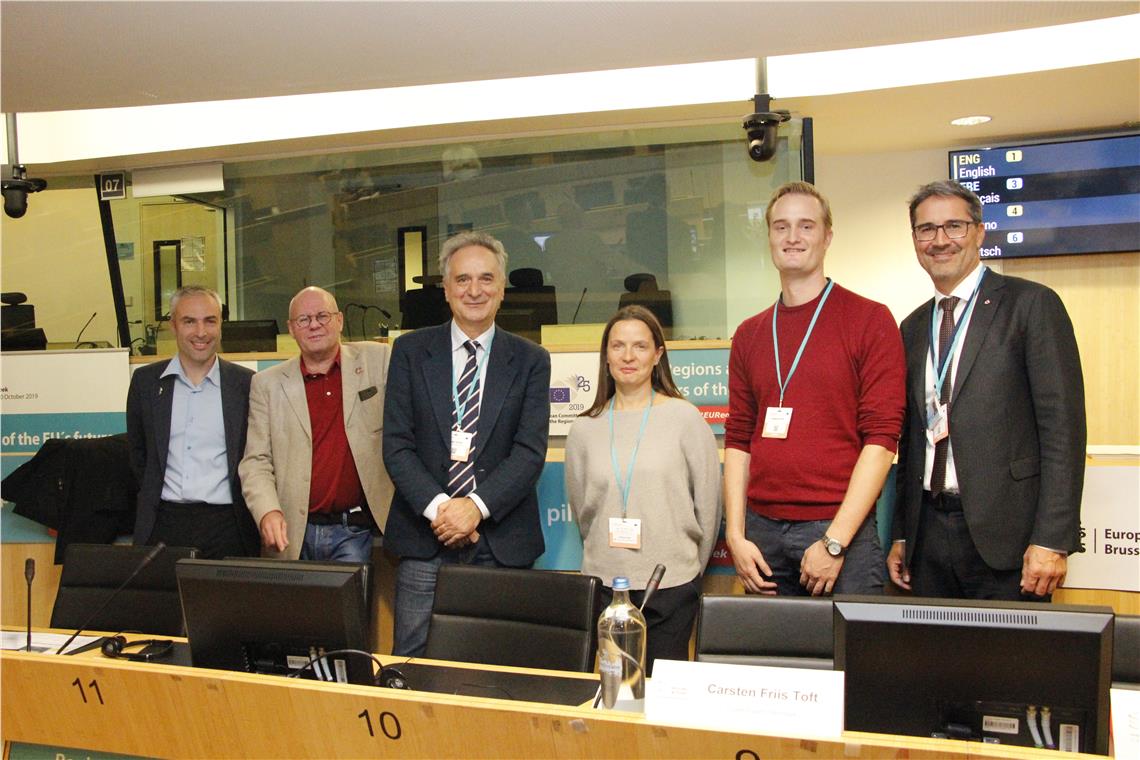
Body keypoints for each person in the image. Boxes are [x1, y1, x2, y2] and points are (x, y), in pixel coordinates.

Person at [888, 180, 1085, 600]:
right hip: (927, 539)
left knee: (1010, 647)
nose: (940, 240)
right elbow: (912, 440)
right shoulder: (913, 327)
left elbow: (1063, 431)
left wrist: (1052, 539)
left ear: (979, 232)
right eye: (926, 229)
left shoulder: (1030, 305)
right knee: (931, 645)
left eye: (954, 226)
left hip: (1009, 540)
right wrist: (902, 532)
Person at [724, 181, 905, 597]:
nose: (792, 237)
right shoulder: (750, 334)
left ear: (827, 237)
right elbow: (738, 438)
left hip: (839, 531)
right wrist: (735, 534)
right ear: (769, 237)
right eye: (781, 226)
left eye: (806, 226)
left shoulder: (869, 320)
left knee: (849, 642)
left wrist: (835, 541)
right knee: (769, 644)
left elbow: (881, 441)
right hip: (761, 537)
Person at [383, 230, 551, 656]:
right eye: (462, 279)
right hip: (425, 540)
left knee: (500, 665)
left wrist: (474, 508)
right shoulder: (409, 351)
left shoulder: (531, 360)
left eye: (486, 278)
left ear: (502, 288)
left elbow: (529, 452)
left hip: (500, 541)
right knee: (413, 663)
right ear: (446, 288)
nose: (474, 290)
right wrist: (444, 511)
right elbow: (397, 446)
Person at [565, 305, 720, 672]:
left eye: (640, 346)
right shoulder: (584, 429)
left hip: (671, 584)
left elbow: (709, 507)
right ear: (606, 356)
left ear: (658, 355)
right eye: (618, 346)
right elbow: (582, 508)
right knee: (615, 691)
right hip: (605, 585)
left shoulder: (684, 418)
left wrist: (689, 571)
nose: (628, 356)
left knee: (666, 694)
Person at [239, 286, 393, 563]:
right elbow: (256, 461)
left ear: (339, 320)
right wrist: (267, 511)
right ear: (291, 329)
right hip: (291, 534)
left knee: (352, 594)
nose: (314, 325)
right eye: (304, 319)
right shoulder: (267, 384)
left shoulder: (379, 360)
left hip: (357, 530)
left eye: (322, 316)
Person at [126, 285, 259, 559]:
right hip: (163, 525)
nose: (201, 332)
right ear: (173, 325)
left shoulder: (247, 384)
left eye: (210, 321)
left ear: (220, 325)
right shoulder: (146, 382)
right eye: (189, 321)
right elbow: (139, 455)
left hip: (230, 528)